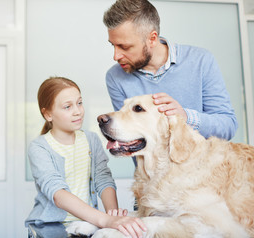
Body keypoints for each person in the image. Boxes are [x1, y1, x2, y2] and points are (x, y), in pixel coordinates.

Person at [25, 77, 147, 238]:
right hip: (50, 227)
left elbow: (103, 179)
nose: (77, 111)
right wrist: (106, 220)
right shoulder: (39, 147)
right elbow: (57, 193)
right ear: (47, 114)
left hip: (87, 224)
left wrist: (114, 215)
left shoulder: (91, 139)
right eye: (67, 106)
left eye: (79, 103)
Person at [102, 0, 238, 142]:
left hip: (204, 163)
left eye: (125, 47)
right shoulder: (115, 77)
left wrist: (185, 117)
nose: (116, 56)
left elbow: (228, 127)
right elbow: (130, 137)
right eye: (113, 45)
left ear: (152, 39)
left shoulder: (200, 61)